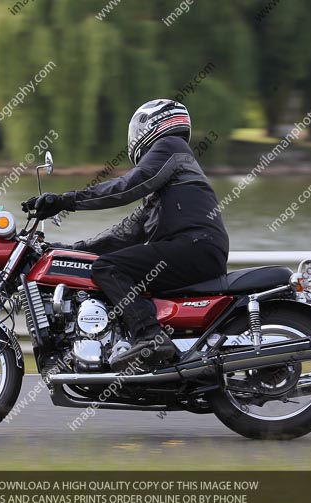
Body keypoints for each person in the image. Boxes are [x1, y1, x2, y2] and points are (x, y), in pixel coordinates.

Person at [22, 99, 229, 371]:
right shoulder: (165, 189)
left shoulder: (171, 147)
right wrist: (72, 250)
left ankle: (150, 336)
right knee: (111, 263)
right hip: (193, 248)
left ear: (149, 125)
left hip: (193, 246)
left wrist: (65, 201)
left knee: (107, 268)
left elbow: (126, 186)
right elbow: (125, 233)